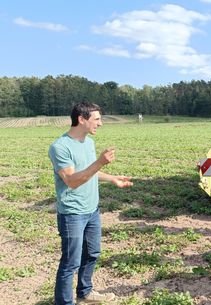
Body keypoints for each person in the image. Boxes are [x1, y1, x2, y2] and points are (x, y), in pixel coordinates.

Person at [49, 102, 133, 305]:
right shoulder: (59, 147)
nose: (101, 123)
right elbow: (72, 180)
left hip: (92, 210)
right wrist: (100, 162)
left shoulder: (88, 142)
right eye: (97, 119)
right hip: (72, 214)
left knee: (92, 253)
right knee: (70, 262)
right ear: (81, 119)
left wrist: (112, 177)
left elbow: (89, 172)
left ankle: (85, 293)